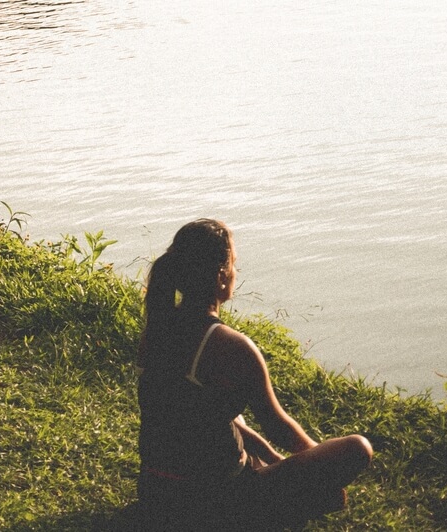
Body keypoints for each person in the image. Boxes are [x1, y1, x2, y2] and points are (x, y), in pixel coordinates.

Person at [136, 219, 373, 531]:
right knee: (357, 449)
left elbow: (199, 415)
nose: (236, 271)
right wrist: (319, 463)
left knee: (222, 406)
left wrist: (272, 457)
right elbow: (279, 427)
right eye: (234, 263)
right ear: (221, 276)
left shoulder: (156, 332)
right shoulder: (231, 347)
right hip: (214, 502)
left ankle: (279, 488)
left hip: (155, 494)